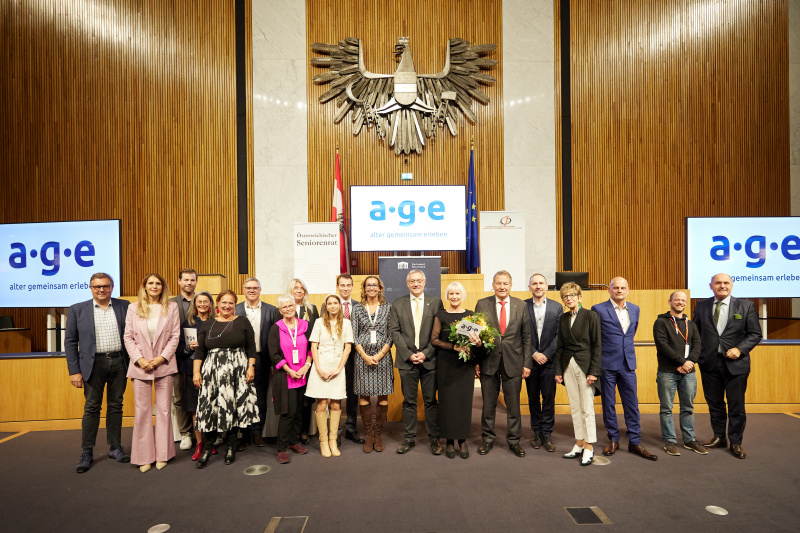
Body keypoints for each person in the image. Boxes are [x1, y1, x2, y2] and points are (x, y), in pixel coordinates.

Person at [65, 272, 131, 473]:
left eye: (105, 286)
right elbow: (70, 342)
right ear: (90, 288)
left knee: (116, 406)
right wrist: (74, 371)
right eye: (97, 287)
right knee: (92, 407)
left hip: (120, 361)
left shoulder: (125, 306)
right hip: (92, 365)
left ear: (112, 287)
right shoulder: (77, 310)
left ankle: (115, 447)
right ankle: (87, 451)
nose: (101, 289)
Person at [692, 273, 762, 459]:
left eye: (726, 283)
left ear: (731, 285)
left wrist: (740, 349)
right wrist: (698, 357)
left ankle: (736, 442)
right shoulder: (701, 306)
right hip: (709, 364)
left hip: (736, 365)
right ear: (711, 286)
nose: (722, 286)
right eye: (718, 283)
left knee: (736, 406)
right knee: (714, 403)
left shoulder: (746, 306)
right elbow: (695, 334)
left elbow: (755, 334)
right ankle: (719, 437)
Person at [592, 277, 657, 461]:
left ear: (628, 290)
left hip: (628, 364)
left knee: (632, 404)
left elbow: (630, 333)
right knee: (609, 404)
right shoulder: (598, 309)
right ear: (609, 290)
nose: (619, 291)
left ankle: (635, 441)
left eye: (623, 288)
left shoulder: (635, 308)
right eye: (616, 288)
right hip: (607, 365)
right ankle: (613, 439)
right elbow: (595, 338)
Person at [192, 290, 259, 468]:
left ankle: (231, 446)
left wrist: (251, 366)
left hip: (237, 368)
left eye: (231, 303)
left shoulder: (242, 321)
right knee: (209, 407)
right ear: (217, 304)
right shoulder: (209, 324)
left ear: (235, 305)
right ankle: (207, 448)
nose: (227, 306)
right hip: (212, 370)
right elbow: (200, 351)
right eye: (224, 303)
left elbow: (251, 347)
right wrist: (196, 372)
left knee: (232, 406)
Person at [124, 273, 181, 472]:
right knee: (142, 412)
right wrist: (139, 359)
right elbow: (128, 337)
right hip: (140, 366)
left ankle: (163, 454)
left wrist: (161, 358)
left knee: (164, 411)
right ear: (145, 286)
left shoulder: (171, 307)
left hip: (164, 364)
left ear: (163, 287)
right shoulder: (133, 307)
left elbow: (175, 336)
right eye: (151, 283)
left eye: (158, 283)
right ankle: (144, 456)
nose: (154, 286)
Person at [474, 270, 532, 458]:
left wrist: (526, 363)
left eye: (505, 283)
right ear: (493, 285)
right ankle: (488, 439)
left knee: (513, 406)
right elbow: (475, 336)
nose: (502, 287)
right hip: (488, 362)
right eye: (498, 283)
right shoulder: (482, 304)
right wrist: (476, 361)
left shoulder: (520, 305)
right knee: (488, 405)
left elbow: (526, 337)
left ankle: (514, 441)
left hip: (513, 362)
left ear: (511, 285)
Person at [388, 269, 444, 455]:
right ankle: (409, 438)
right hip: (407, 361)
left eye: (419, 281)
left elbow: (439, 332)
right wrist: (408, 354)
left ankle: (434, 439)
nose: (416, 284)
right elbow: (394, 331)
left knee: (430, 401)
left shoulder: (436, 303)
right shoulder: (397, 304)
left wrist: (426, 353)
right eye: (412, 281)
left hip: (429, 360)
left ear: (425, 282)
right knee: (409, 402)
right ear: (407, 283)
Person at [554, 282, 602, 466]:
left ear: (580, 297)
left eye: (572, 295)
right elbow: (560, 347)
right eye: (565, 296)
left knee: (587, 409)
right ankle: (579, 443)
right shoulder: (563, 318)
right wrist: (558, 371)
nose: (569, 298)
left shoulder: (591, 316)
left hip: (585, 365)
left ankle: (589, 447)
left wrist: (594, 371)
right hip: (568, 365)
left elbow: (597, 346)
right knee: (574, 407)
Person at [653, 291, 706, 456]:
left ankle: (690, 440)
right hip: (667, 372)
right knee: (666, 408)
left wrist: (689, 363)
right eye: (677, 300)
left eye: (683, 300)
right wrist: (681, 362)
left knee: (688, 407)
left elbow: (697, 345)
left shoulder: (691, 324)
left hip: (689, 372)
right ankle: (670, 441)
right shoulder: (661, 322)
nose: (680, 302)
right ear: (670, 301)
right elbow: (662, 345)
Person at [431, 281, 478, 459]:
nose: (454, 297)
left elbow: (475, 340)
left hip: (465, 366)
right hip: (446, 365)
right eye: (451, 294)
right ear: (447, 296)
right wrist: (454, 347)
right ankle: (450, 440)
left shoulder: (470, 316)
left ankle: (462, 439)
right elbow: (434, 340)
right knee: (448, 403)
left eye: (457, 294)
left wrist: (476, 343)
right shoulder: (440, 315)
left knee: (464, 403)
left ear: (462, 295)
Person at [306, 294, 354, 457]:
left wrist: (339, 369)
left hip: (337, 367)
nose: (333, 306)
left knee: (335, 405)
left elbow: (347, 348)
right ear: (325, 306)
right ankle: (323, 442)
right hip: (321, 366)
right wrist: (318, 368)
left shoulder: (346, 323)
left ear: (340, 306)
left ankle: (333, 441)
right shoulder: (319, 322)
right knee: (321, 405)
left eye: (336, 303)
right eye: (330, 303)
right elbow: (314, 346)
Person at [268, 294, 312, 464]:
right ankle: (281, 448)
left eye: (290, 306)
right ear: (280, 310)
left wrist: (306, 367)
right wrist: (289, 370)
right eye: (284, 307)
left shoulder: (305, 325)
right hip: (285, 376)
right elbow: (274, 354)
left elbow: (311, 348)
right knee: (288, 412)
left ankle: (294, 442)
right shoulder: (276, 328)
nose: (288, 309)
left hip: (303, 374)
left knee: (300, 410)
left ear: (295, 307)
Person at [235, 277, 277, 451]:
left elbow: (274, 338)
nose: (251, 290)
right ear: (243, 290)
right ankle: (244, 435)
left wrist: (274, 362)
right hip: (239, 360)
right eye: (248, 288)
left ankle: (258, 432)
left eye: (255, 288)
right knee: (241, 397)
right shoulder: (235, 309)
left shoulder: (271, 310)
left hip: (262, 359)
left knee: (260, 398)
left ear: (260, 290)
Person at [352, 276, 393, 452]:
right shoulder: (357, 309)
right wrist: (366, 356)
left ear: (380, 288)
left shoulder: (388, 309)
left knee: (383, 395)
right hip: (362, 358)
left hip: (383, 358)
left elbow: (391, 334)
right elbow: (353, 335)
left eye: (374, 285)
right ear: (364, 288)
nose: (371, 288)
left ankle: (378, 434)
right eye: (368, 285)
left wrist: (380, 354)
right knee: (364, 395)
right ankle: (369, 434)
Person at [175, 290, 216, 460]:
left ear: (211, 304)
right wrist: (188, 348)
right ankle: (199, 444)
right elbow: (178, 351)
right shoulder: (186, 324)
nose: (202, 305)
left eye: (206, 301)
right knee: (195, 409)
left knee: (212, 407)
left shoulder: (217, 323)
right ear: (194, 304)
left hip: (213, 371)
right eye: (199, 302)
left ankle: (210, 442)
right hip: (191, 371)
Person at [524, 273, 563, 452]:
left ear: (547, 286)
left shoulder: (557, 307)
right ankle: (536, 432)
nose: (538, 286)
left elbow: (559, 335)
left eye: (541, 283)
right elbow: (520, 334)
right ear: (530, 287)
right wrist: (534, 353)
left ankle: (547, 433)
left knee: (548, 398)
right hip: (530, 362)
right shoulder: (522, 306)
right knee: (533, 398)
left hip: (549, 362)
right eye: (534, 283)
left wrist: (545, 354)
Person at [288, 277, 319, 445]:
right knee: (292, 399)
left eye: (301, 288)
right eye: (295, 288)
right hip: (289, 362)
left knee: (307, 397)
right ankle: (291, 432)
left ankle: (304, 431)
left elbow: (316, 334)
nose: (299, 291)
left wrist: (311, 360)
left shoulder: (312, 309)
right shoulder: (283, 309)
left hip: (308, 358)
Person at [336, 273, 366, 445]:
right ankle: (336, 430)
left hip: (355, 354)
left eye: (348, 285)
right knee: (336, 393)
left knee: (353, 392)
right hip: (336, 355)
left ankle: (351, 429)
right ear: (338, 287)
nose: (345, 288)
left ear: (352, 287)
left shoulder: (358, 306)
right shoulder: (329, 303)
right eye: (342, 285)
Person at [171, 268, 197, 451]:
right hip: (176, 357)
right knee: (180, 398)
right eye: (186, 280)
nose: (189, 283)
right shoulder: (170, 303)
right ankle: (185, 433)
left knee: (200, 397)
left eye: (192, 280)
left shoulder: (203, 301)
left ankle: (204, 432)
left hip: (199, 358)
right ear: (179, 281)